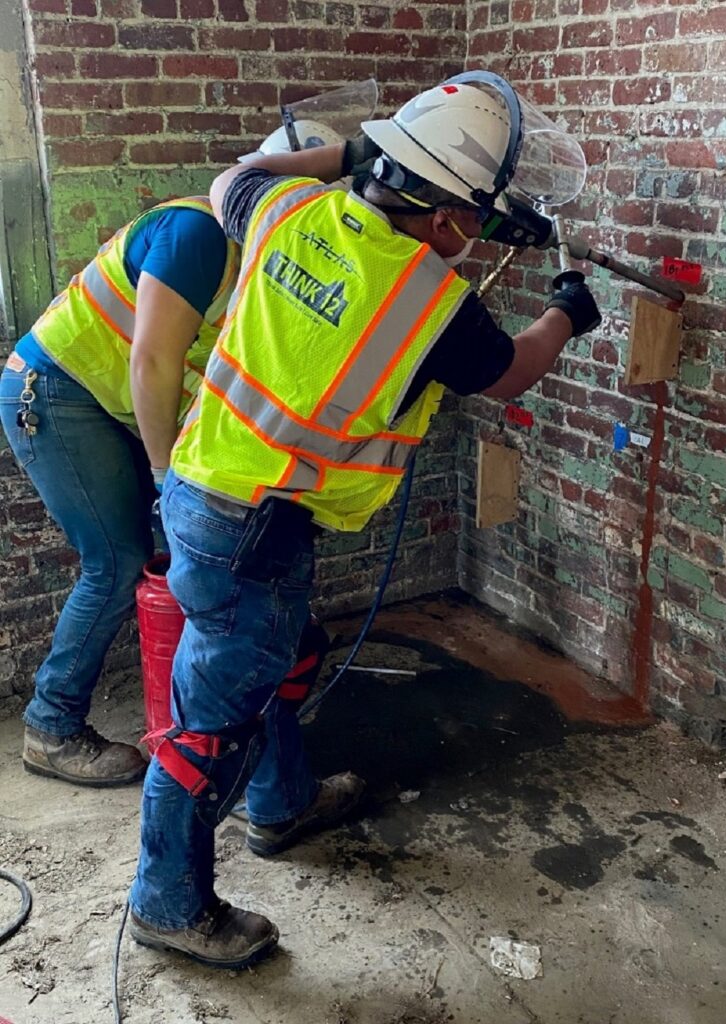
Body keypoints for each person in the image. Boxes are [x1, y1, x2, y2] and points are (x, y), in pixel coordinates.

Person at [128, 73, 602, 969]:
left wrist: (355, 151)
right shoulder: (434, 303)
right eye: (471, 223)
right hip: (254, 530)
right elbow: (506, 371)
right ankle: (168, 904)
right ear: (450, 223)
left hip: (199, 493)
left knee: (285, 654)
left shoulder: (286, 211)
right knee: (209, 727)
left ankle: (280, 803)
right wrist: (565, 313)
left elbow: (244, 171)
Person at [0, 196, 240, 786]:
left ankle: (189, 705)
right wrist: (164, 478)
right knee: (115, 560)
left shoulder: (246, 264)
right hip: (54, 392)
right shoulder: (198, 236)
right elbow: (151, 363)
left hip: (101, 399)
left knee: (167, 546)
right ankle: (50, 726)